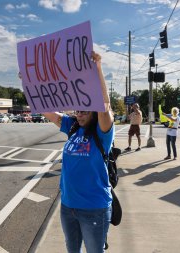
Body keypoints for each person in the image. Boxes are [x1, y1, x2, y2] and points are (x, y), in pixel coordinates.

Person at [40, 52, 114, 252]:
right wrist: (32, 83)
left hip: (94, 208)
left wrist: (98, 68)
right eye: (77, 111)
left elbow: (105, 107)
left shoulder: (102, 133)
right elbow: (45, 110)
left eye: (84, 111)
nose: (79, 114)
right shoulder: (72, 126)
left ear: (93, 111)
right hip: (68, 207)